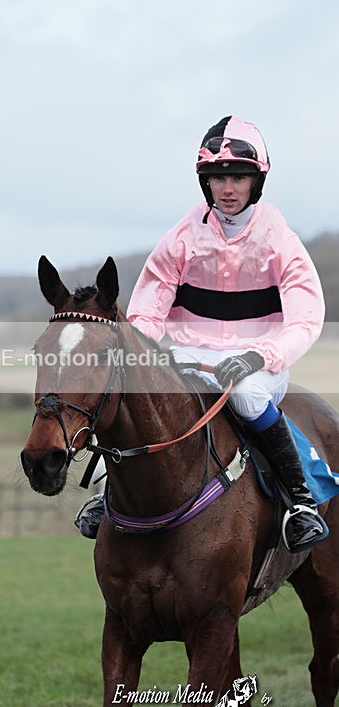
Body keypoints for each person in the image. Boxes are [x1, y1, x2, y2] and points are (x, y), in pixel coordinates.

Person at [77, 114, 327, 553]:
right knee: (135, 399)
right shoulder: (181, 236)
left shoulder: (279, 239)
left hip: (257, 362)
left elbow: (306, 319)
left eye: (238, 177)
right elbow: (147, 310)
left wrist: (259, 357)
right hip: (189, 355)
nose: (227, 188)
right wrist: (146, 355)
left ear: (256, 181)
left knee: (248, 395)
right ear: (204, 183)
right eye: (217, 178)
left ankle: (299, 502)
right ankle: (107, 495)